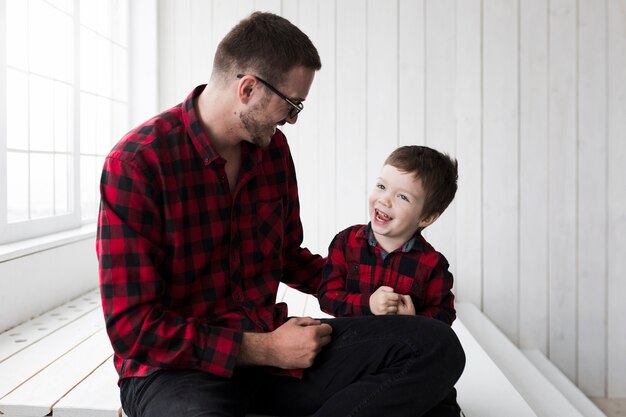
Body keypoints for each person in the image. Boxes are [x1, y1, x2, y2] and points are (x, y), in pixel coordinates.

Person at [96, 12, 464, 417]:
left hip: (277, 358)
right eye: (292, 103)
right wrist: (264, 347)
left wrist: (374, 299)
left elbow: (288, 257)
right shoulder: (136, 164)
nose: (293, 118)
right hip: (179, 373)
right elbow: (133, 329)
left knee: (434, 345)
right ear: (248, 88)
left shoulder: (273, 151)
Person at [318, 145, 462, 416]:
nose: (384, 200)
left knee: (440, 398)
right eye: (382, 187)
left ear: (427, 217)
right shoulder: (346, 243)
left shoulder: (432, 264)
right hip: (351, 348)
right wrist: (368, 304)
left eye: (402, 197)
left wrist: (416, 320)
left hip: (401, 353)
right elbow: (327, 295)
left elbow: (444, 315)